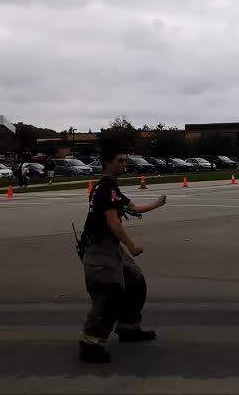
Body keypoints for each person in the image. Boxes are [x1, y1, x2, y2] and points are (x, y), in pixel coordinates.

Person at [77, 147, 167, 363]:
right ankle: (90, 344)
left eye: (125, 160)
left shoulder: (112, 188)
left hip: (111, 246)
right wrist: (132, 246)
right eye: (120, 160)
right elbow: (112, 221)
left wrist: (157, 203)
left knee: (135, 282)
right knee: (109, 295)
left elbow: (133, 208)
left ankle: (128, 327)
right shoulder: (106, 187)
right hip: (99, 249)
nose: (124, 164)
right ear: (108, 163)